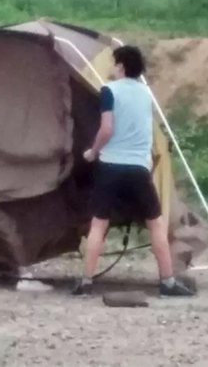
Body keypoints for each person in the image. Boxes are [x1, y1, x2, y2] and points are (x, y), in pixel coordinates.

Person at [72, 45, 193, 297]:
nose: (111, 68)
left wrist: (92, 152)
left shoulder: (109, 91)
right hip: (139, 167)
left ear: (120, 66)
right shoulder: (146, 94)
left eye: (114, 63)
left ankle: (85, 282)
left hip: (110, 167)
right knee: (155, 224)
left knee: (98, 225)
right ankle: (167, 282)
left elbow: (106, 129)